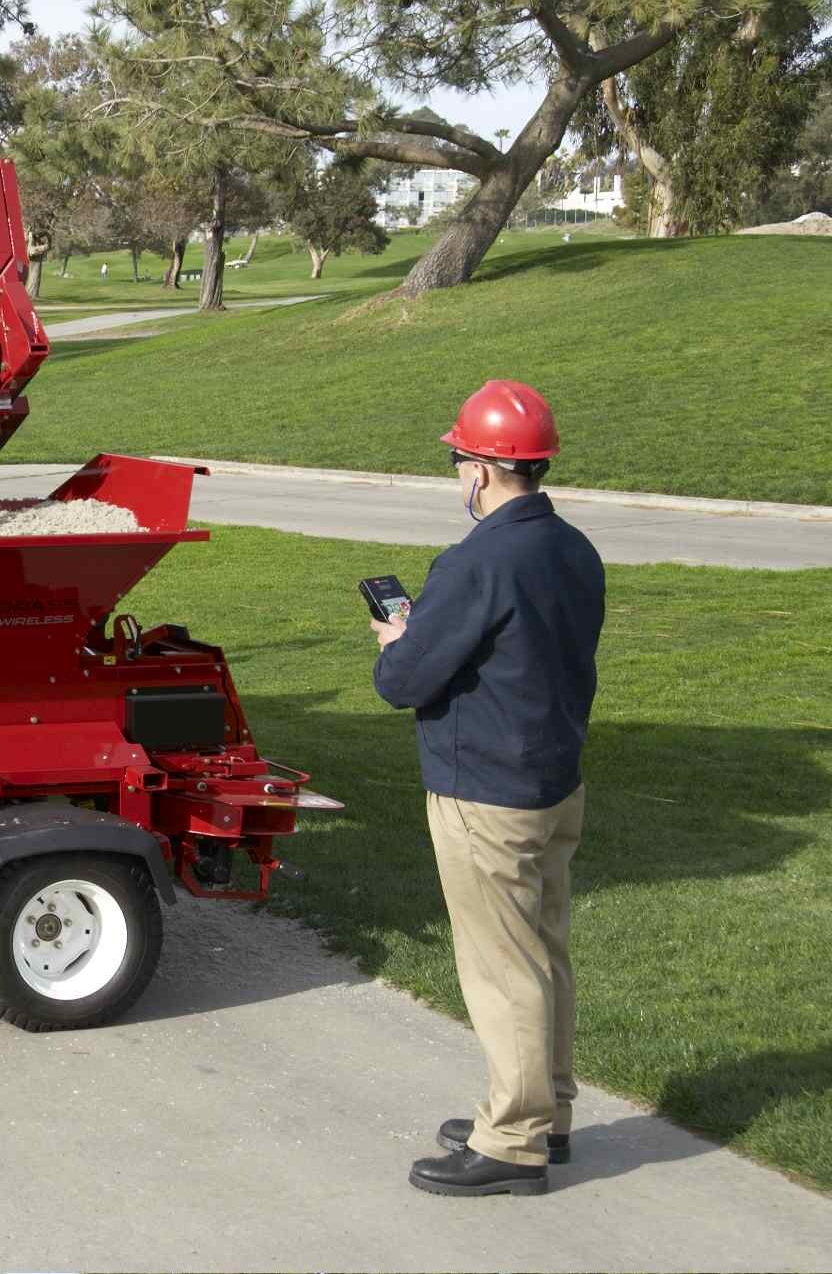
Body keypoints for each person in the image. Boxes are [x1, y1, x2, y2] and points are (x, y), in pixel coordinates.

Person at [369, 380, 606, 1198]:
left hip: (486, 794)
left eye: (458, 460)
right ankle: (550, 1113)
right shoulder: (574, 547)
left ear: (481, 469)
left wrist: (398, 637)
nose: (457, 475)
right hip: (554, 781)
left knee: (504, 968)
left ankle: (512, 1141)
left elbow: (403, 680)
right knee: (544, 956)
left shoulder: (473, 562)